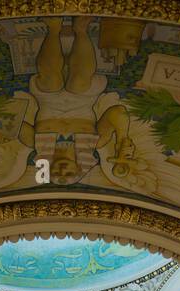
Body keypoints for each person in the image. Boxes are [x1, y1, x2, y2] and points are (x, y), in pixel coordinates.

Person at [21, 16, 133, 185]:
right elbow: (118, 113)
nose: (62, 170)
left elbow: (12, 124)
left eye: (57, 173)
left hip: (49, 101)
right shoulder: (97, 142)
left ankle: (53, 28)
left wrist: (2, 131)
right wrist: (123, 139)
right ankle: (81, 30)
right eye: (68, 173)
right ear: (79, 168)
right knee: (79, 83)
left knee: (50, 82)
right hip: (82, 100)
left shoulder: (34, 143)